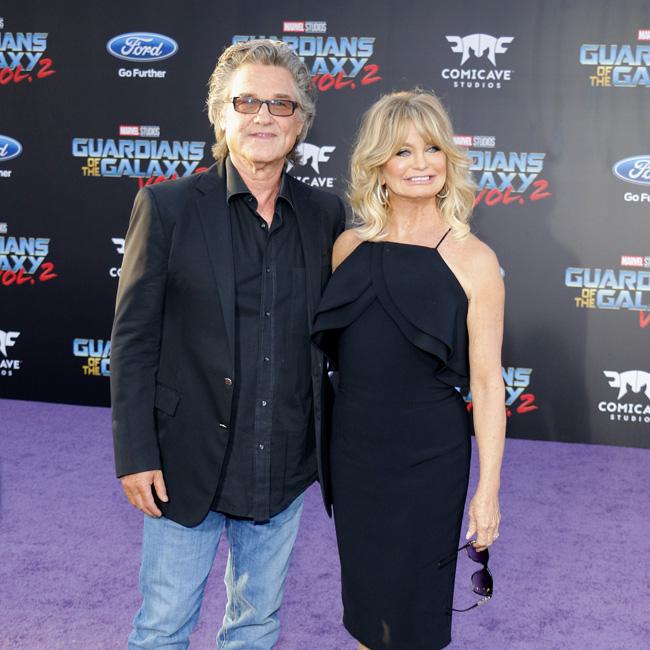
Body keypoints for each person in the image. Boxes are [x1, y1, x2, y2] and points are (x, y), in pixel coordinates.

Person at [110, 39, 345, 649]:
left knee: (256, 625)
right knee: (162, 628)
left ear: (300, 122)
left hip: (284, 462)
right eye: (247, 102)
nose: (264, 116)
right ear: (220, 115)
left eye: (281, 104)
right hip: (184, 461)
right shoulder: (166, 207)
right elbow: (133, 340)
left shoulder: (326, 215)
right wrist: (135, 452)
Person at [311, 89, 506, 650]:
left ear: (449, 158)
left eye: (432, 148)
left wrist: (488, 490)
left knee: (415, 616)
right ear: (378, 163)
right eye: (402, 151)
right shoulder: (348, 247)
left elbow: (488, 383)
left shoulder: (474, 259)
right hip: (355, 456)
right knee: (368, 609)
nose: (420, 163)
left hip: (429, 459)